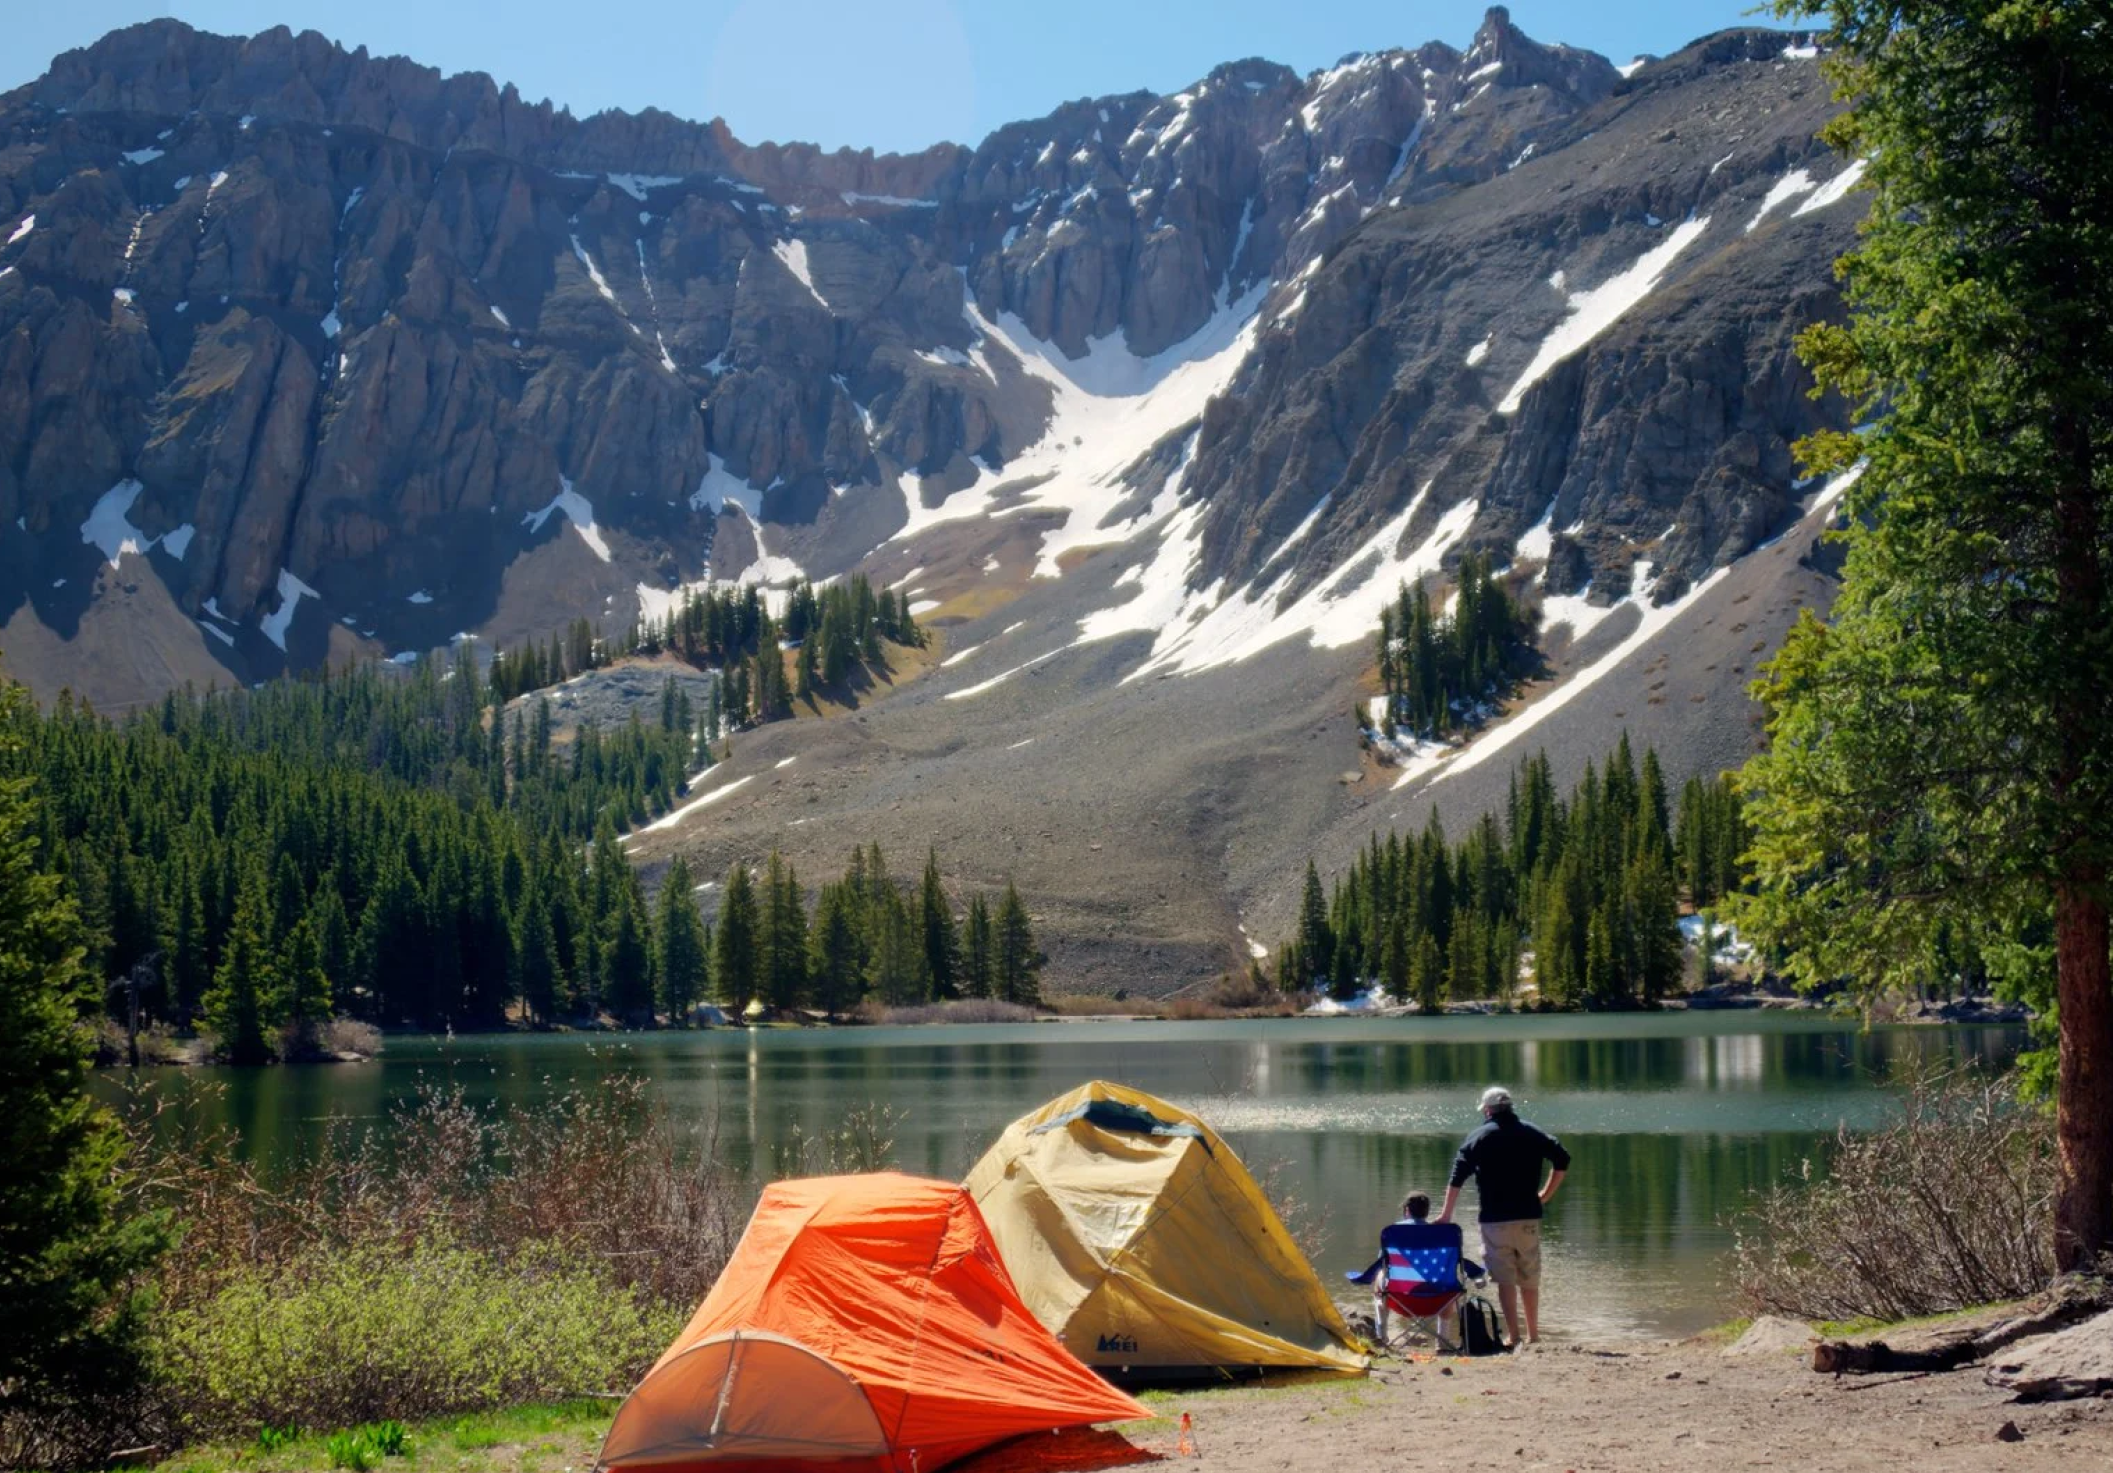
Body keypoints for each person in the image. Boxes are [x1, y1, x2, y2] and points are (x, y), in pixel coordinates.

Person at [1435, 1085, 1569, 1347]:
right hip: (1528, 1216)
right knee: (1529, 1276)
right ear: (1510, 1108)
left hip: (1495, 1220)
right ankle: (1533, 1335)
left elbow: (1457, 1176)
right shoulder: (1532, 1132)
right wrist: (1545, 1194)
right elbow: (1562, 1159)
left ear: (1487, 1110)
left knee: (1505, 1278)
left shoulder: (1479, 1136)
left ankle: (1514, 1336)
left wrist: (1446, 1214)